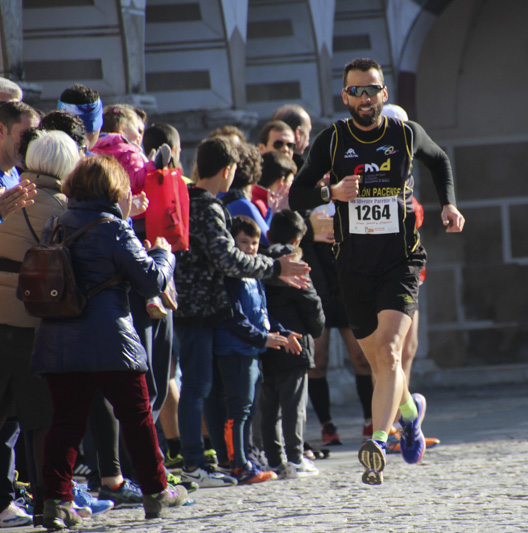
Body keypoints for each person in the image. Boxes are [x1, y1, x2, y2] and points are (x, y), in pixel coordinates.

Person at [289, 57, 465, 485]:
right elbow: (296, 195)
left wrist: (449, 203)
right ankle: (410, 413)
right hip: (352, 265)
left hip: (400, 260)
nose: (365, 98)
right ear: (345, 96)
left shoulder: (405, 134)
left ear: (384, 94)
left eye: (373, 90)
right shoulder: (332, 141)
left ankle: (379, 440)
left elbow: (439, 159)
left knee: (388, 353)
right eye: (357, 91)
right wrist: (330, 191)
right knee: (379, 360)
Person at [30, 156, 187, 530]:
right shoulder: (114, 228)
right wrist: (164, 254)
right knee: (137, 419)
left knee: (65, 424)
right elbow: (150, 280)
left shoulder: (55, 224)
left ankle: (57, 501)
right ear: (113, 189)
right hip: (110, 341)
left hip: (59, 340)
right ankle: (155, 492)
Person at [173, 136, 310, 488]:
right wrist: (275, 267)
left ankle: (210, 461)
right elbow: (228, 259)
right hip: (198, 311)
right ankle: (193, 464)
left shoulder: (186, 199)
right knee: (198, 389)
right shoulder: (207, 206)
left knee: (205, 390)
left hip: (195, 309)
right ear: (228, 170)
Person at [0, 130, 81, 528]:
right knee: (39, 419)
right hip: (35, 320)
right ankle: (47, 502)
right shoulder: (66, 210)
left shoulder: (7, 199)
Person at [213, 215, 292, 484]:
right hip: (235, 349)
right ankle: (237, 463)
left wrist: (281, 332)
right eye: (243, 242)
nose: (249, 248)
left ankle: (246, 456)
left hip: (252, 350)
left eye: (254, 243)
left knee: (248, 407)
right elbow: (235, 318)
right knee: (239, 408)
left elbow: (261, 313)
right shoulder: (233, 276)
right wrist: (262, 339)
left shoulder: (254, 275)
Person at [261, 210, 325, 478]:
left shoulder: (261, 261)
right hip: (295, 343)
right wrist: (316, 328)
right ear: (298, 240)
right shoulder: (293, 261)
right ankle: (296, 459)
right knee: (293, 406)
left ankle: (274, 460)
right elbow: (310, 302)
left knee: (269, 408)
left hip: (267, 344)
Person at [0, 101, 40, 225]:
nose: (30, 143)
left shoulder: (13, 171)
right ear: (1, 130)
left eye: (34, 136)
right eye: (25, 135)